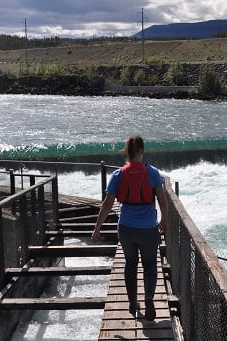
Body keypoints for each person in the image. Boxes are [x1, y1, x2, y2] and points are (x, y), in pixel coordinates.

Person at [91, 135, 168, 321]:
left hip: (126, 228)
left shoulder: (118, 174)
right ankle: (149, 297)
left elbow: (107, 204)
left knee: (130, 264)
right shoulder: (153, 172)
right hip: (149, 228)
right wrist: (164, 220)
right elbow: (163, 200)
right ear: (142, 151)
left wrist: (97, 228)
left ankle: (132, 302)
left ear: (127, 151)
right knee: (150, 264)